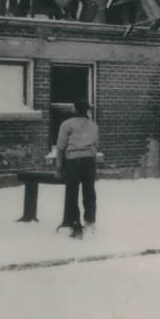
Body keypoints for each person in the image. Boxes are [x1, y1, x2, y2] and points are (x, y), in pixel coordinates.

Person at [56, 100, 99, 239]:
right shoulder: (93, 125)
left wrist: (59, 167)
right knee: (89, 192)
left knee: (72, 193)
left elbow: (60, 147)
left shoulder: (67, 124)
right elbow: (96, 144)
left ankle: (76, 226)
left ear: (75, 109)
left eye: (73, 106)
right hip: (89, 162)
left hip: (73, 162)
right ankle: (90, 223)